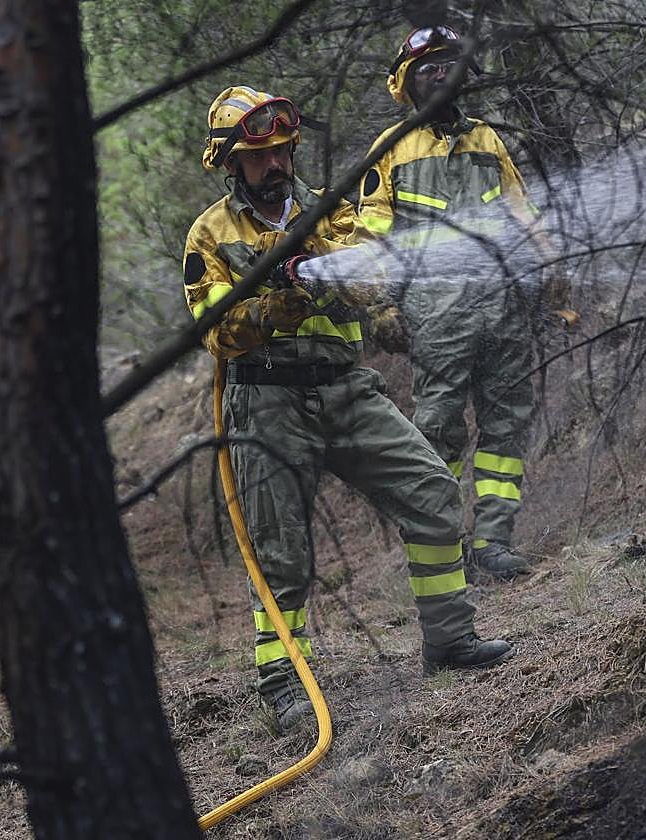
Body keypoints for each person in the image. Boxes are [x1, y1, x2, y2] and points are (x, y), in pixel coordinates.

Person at [183, 86, 513, 732]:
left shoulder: (327, 212)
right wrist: (274, 303)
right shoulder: (211, 234)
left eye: (282, 151)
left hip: (346, 388)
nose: (276, 165)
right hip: (267, 401)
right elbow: (215, 328)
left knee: (432, 492)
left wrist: (322, 276)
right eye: (260, 156)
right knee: (280, 554)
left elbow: (375, 276)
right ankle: (285, 685)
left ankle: (449, 641)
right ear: (231, 162)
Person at [357, 26, 573, 581]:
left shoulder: (485, 140)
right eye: (427, 65)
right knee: (438, 428)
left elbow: (521, 210)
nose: (439, 71)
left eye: (449, 62)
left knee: (506, 425)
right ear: (404, 81)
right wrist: (381, 303)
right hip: (436, 311)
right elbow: (373, 235)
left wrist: (551, 272)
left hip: (501, 304)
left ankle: (494, 542)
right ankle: (443, 545)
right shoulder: (391, 148)